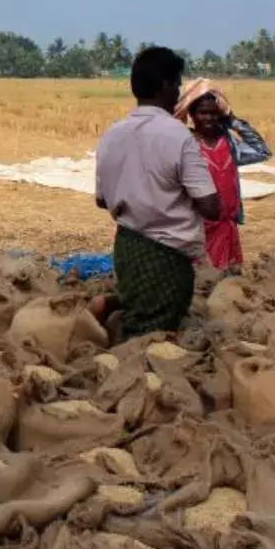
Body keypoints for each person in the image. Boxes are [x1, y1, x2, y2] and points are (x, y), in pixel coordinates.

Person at [93, 47, 221, 339]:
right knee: (153, 335)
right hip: (166, 259)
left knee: (137, 309)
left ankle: (110, 312)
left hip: (127, 249)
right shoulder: (178, 136)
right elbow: (211, 206)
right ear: (165, 84)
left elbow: (101, 200)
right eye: (177, 84)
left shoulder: (113, 133)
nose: (178, 91)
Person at [174, 79, 273, 272]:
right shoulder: (188, 145)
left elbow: (262, 151)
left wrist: (232, 121)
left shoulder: (229, 144)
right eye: (203, 113)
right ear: (192, 114)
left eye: (214, 113)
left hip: (228, 224)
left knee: (230, 276)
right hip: (200, 226)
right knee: (203, 277)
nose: (209, 118)